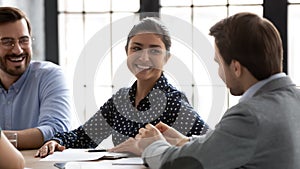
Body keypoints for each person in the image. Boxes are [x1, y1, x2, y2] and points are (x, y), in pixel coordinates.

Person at [133, 12, 300, 169]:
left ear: (236, 68)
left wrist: (152, 145)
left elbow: (181, 164)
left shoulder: (249, 116)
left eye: (218, 63)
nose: (219, 72)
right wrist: (183, 141)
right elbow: (239, 143)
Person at [35, 17, 209, 157]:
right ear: (127, 52)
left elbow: (210, 146)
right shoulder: (122, 99)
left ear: (167, 58)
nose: (144, 57)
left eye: (155, 51)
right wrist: (57, 141)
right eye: (136, 48)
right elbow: (84, 136)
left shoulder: (174, 102)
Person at [0, 7, 72, 149]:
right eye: (7, 42)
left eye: (24, 40)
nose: (18, 50)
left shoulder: (50, 76)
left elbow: (56, 130)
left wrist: (4, 140)